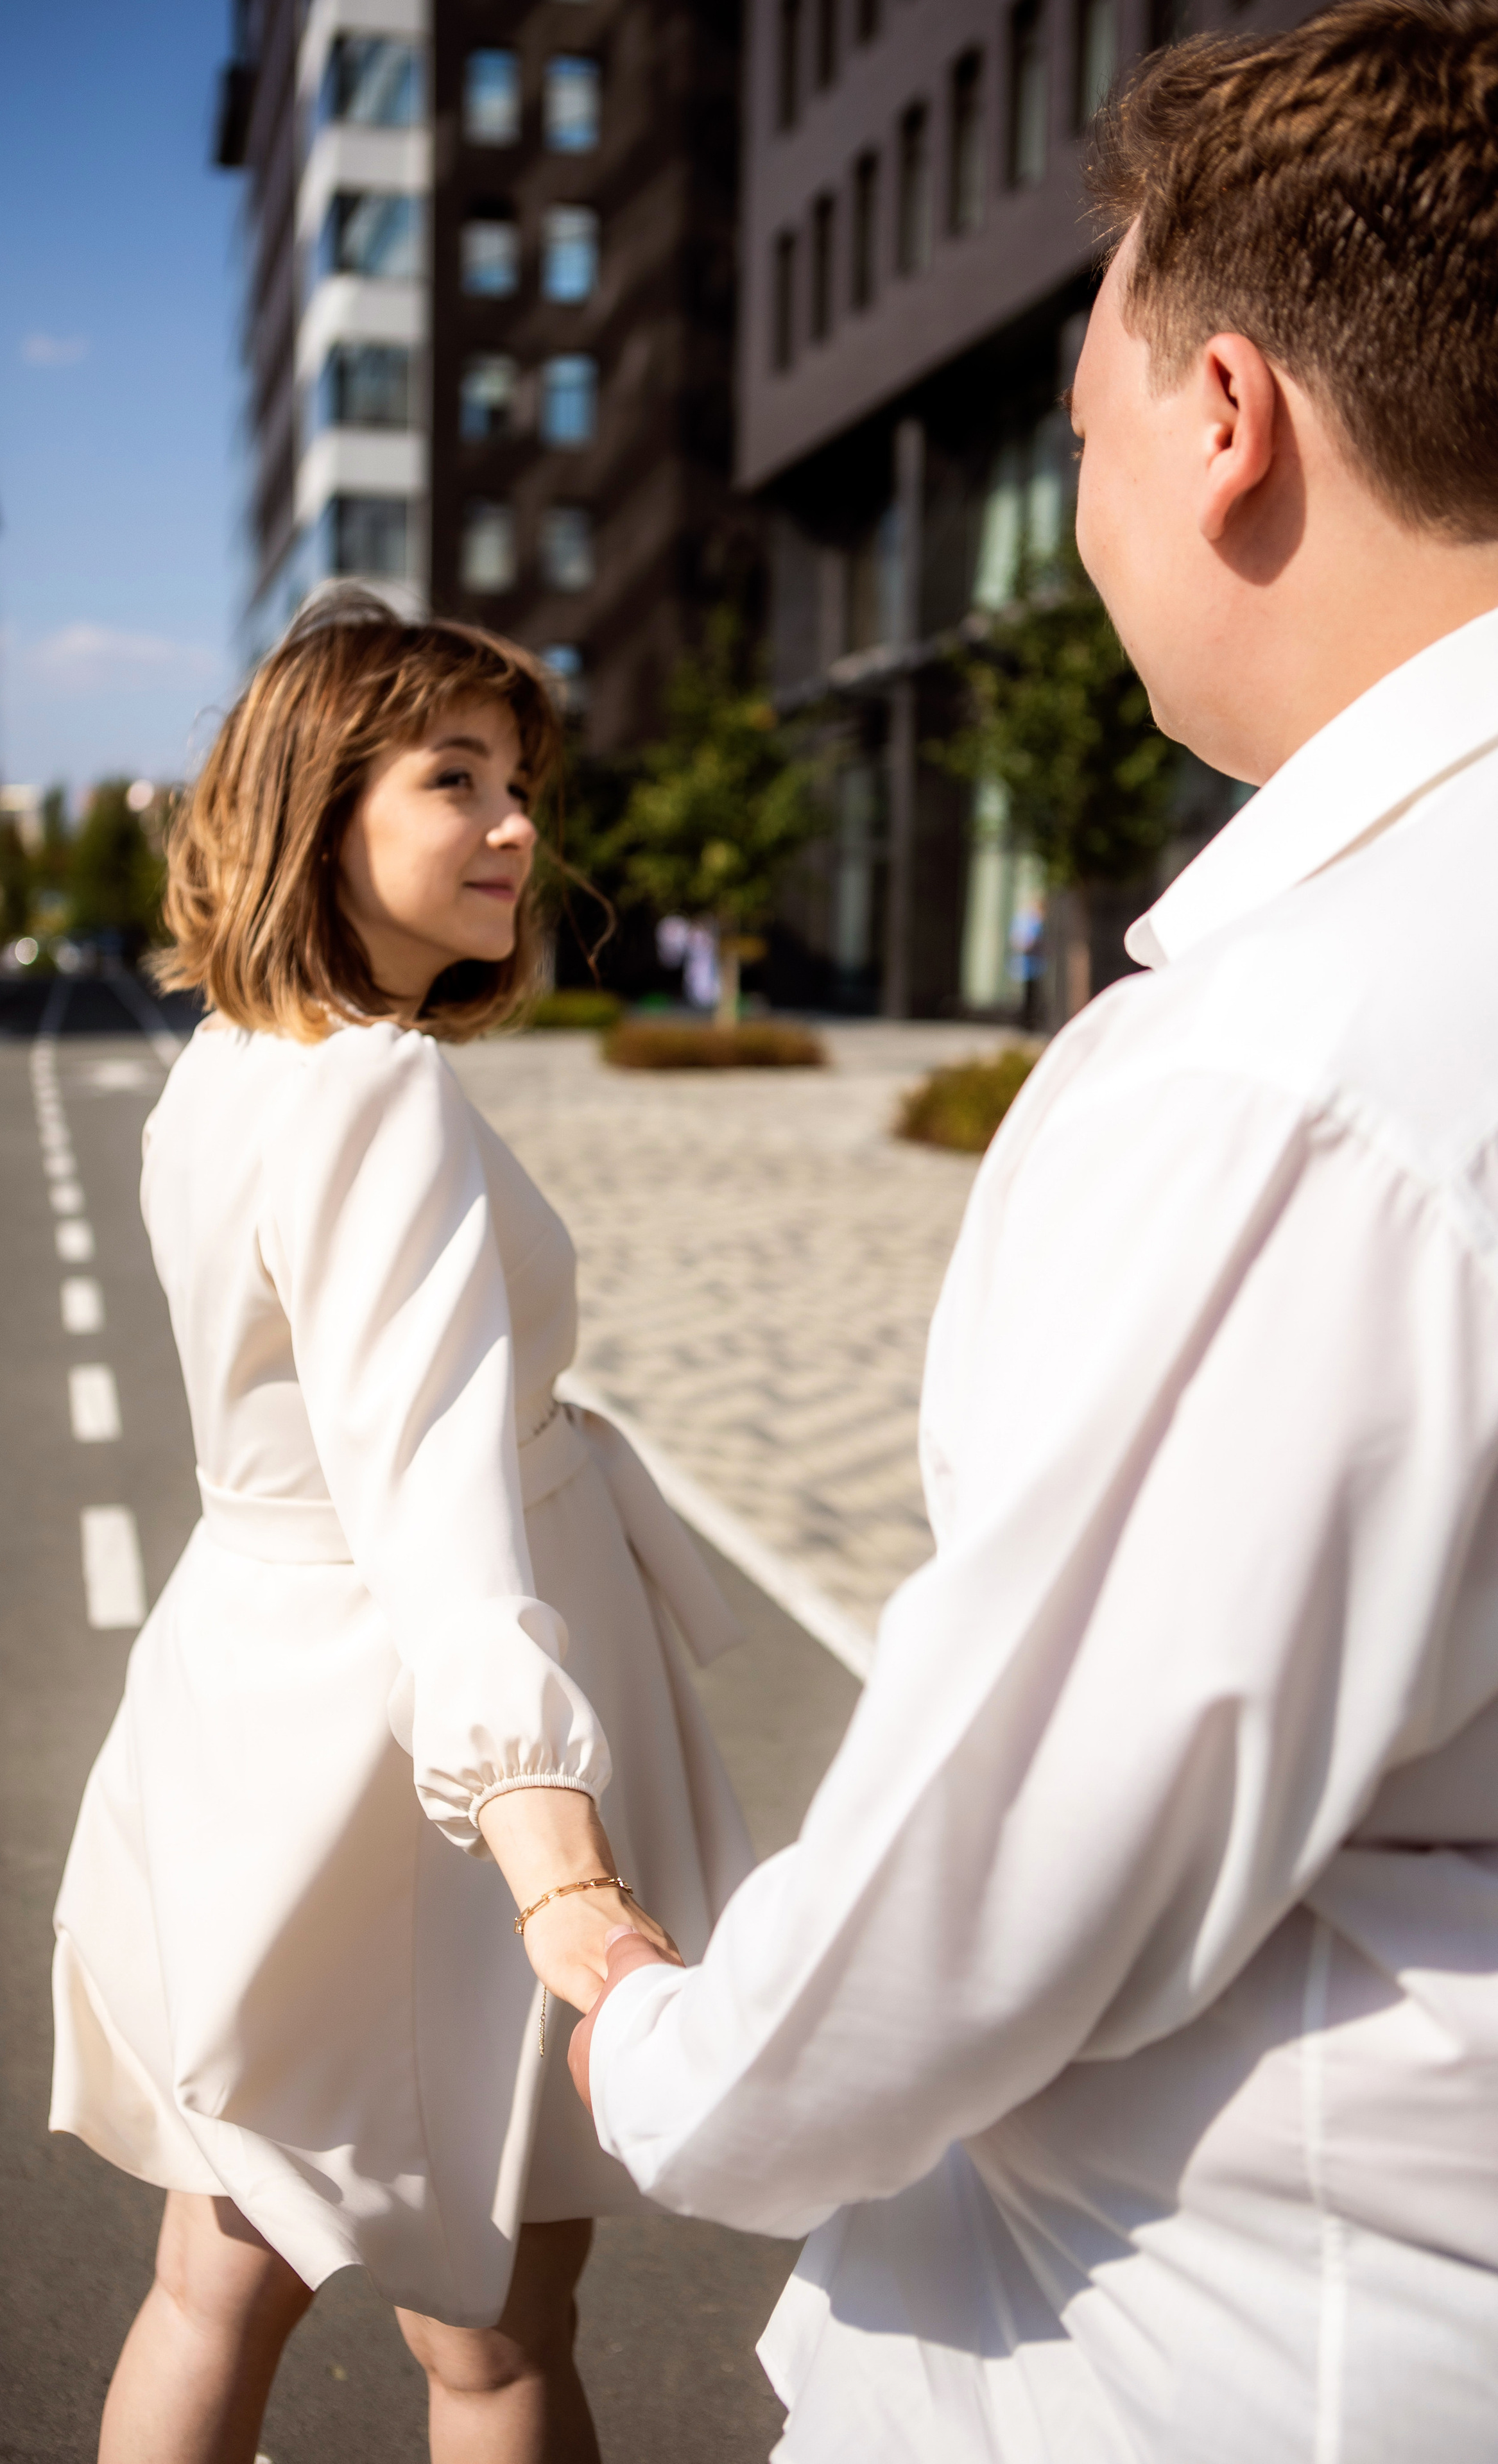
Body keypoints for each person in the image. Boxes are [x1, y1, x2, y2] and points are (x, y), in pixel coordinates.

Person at [568, 6, 1498, 2456]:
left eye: (1077, 433)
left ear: (1224, 418)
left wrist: (637, 2025)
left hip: (1198, 2353)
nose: (1076, 509)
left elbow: (981, 1892)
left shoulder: (1304, 1070)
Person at [49, 595, 753, 2464]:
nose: (518, 824)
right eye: (458, 780)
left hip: (251, 1703)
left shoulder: (227, 1067)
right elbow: (433, 1502)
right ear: (318, 807)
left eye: (523, 781)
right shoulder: (378, 1092)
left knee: (216, 2270)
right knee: (499, 2338)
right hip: (422, 1749)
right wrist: (563, 1874)